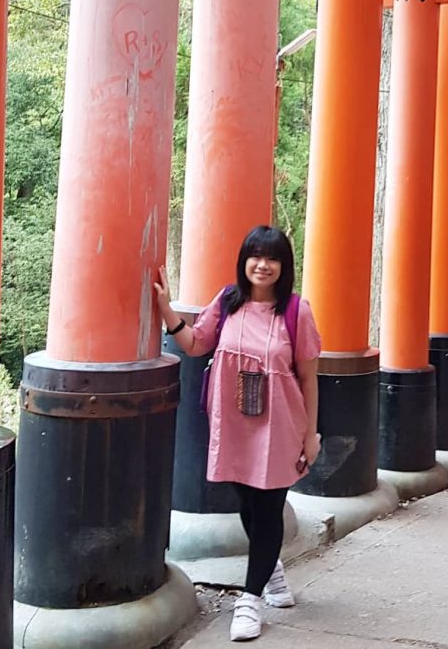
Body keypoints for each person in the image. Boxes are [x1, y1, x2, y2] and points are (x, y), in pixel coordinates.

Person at [156, 225, 321, 642]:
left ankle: (249, 600)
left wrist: (311, 434)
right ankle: (273, 572)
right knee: (246, 503)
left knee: (268, 507)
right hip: (232, 422)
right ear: (244, 261)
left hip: (281, 425)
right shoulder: (228, 301)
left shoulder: (296, 312)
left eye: (272, 258)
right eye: (256, 256)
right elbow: (195, 345)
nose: (262, 265)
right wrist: (166, 310)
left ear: (284, 266)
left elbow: (309, 377)